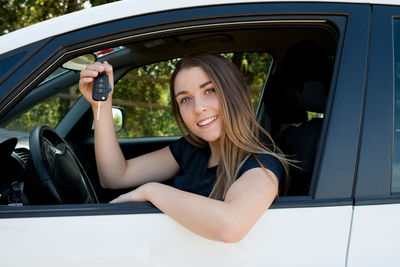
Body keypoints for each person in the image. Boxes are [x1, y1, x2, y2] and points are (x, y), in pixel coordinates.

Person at [79, 52, 288, 243]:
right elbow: (115, 176)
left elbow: (230, 226)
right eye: (185, 99)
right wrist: (102, 105)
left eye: (210, 90)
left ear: (234, 92)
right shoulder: (192, 149)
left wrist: (150, 191)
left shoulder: (263, 162)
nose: (198, 108)